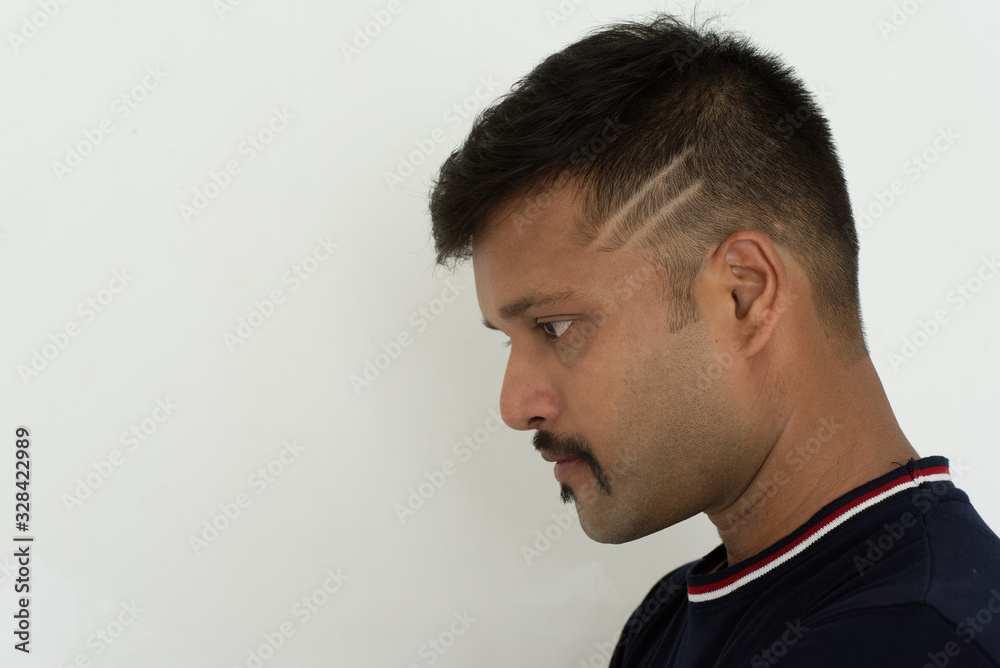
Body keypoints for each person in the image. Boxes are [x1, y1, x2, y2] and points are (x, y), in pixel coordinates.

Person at [426, 12, 1000, 667]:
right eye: (509, 341)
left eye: (555, 327)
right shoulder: (670, 620)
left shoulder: (918, 640)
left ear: (744, 295)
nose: (514, 406)